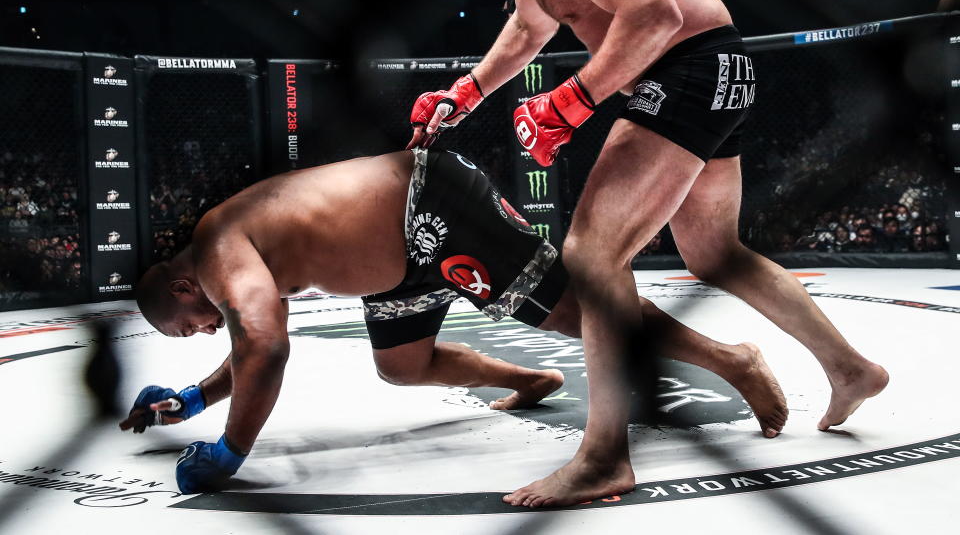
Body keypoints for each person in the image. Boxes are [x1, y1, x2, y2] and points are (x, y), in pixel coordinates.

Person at [410, 0, 888, 507]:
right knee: (713, 254)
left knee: (592, 255)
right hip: (711, 71)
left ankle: (604, 456)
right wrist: (468, 91)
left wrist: (570, 102)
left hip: (687, 68)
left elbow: (654, 13)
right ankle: (850, 366)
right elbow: (530, 24)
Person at [122, 149, 786, 494]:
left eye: (187, 326)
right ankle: (529, 379)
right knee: (400, 363)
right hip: (398, 261)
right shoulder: (228, 251)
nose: (202, 333)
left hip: (428, 207)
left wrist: (230, 452)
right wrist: (192, 398)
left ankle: (735, 360)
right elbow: (250, 341)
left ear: (184, 285)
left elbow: (263, 347)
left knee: (575, 312)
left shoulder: (214, 251)